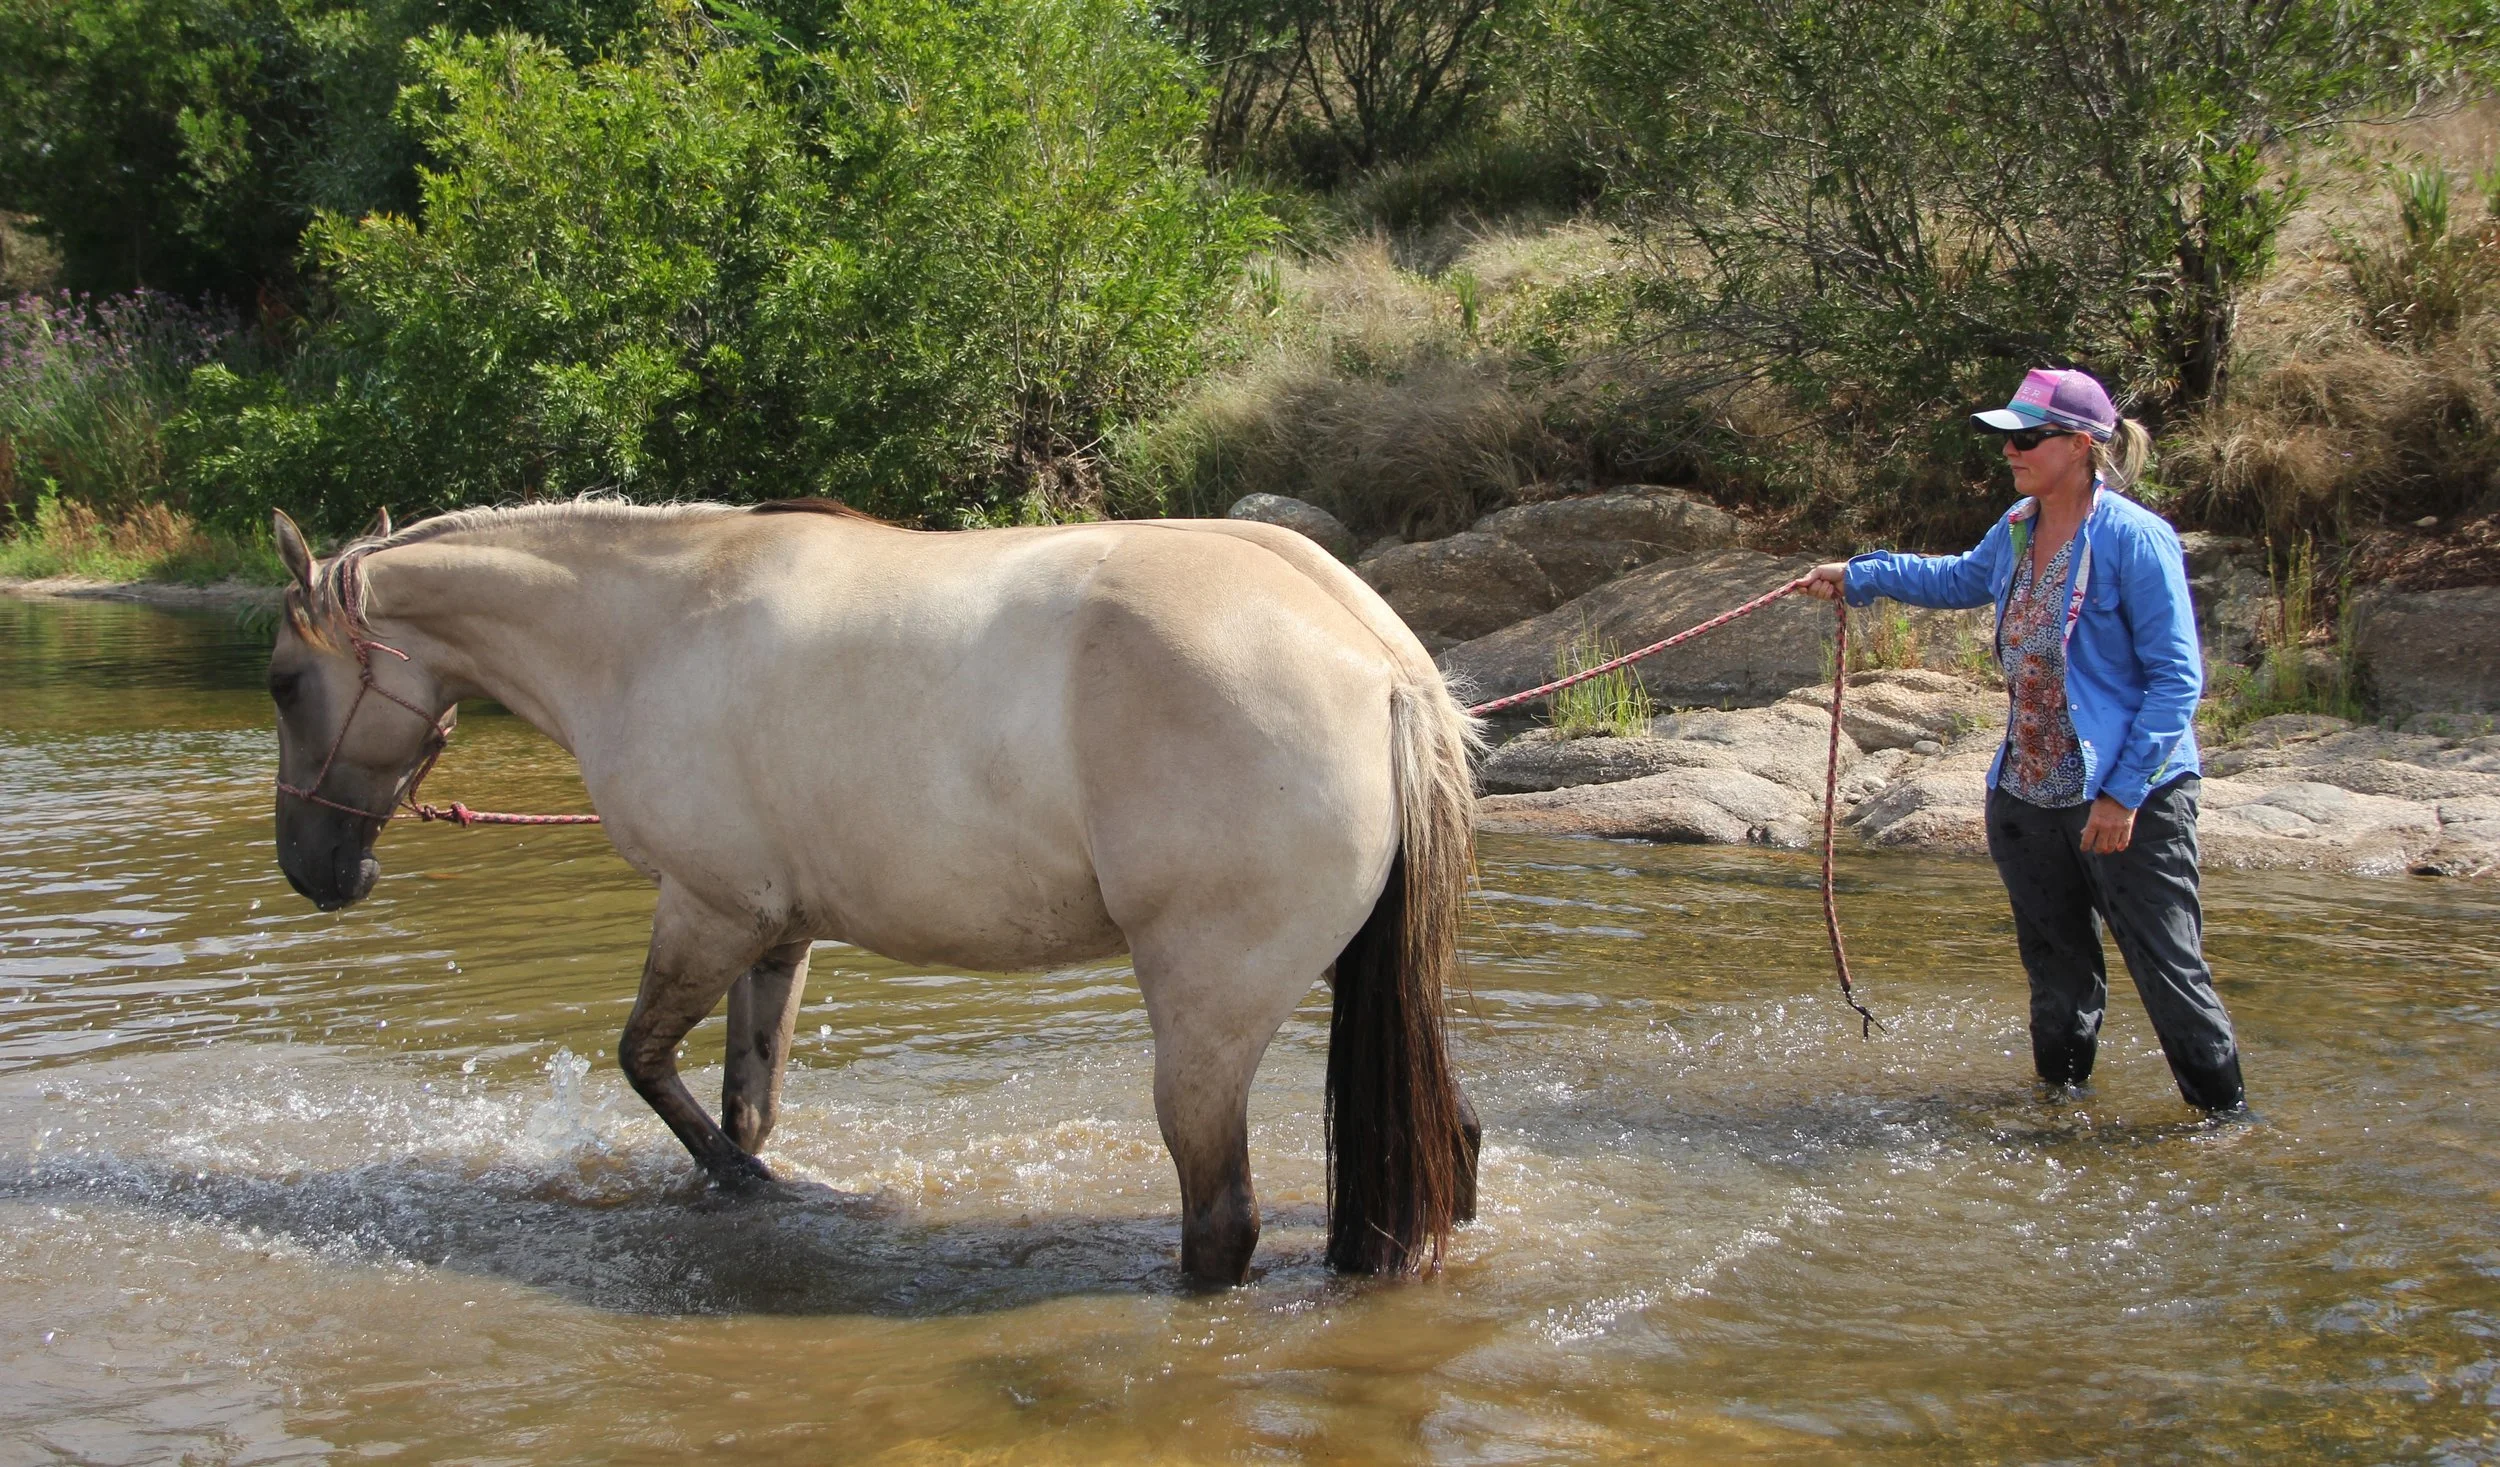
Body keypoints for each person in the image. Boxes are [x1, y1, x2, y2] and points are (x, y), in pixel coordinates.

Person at [1801, 367, 2246, 1114]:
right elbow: (1959, 579)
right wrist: (1860, 575)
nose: (2010, 450)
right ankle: (2058, 1113)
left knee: (2168, 971)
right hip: (2027, 795)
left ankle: (2226, 1126)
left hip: (2128, 799)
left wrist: (2123, 795)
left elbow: (2177, 680)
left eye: (2027, 437)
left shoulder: (2136, 539)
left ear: (2079, 445)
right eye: (2006, 437)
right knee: (2056, 976)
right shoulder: (2018, 524)